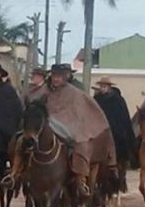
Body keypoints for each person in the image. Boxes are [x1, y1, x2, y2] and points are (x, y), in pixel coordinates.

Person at [44, 63, 115, 196]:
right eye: (54, 76)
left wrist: (72, 124)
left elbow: (82, 112)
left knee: (81, 145)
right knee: (23, 143)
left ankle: (80, 179)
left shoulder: (76, 93)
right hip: (46, 126)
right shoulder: (45, 91)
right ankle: (16, 173)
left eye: (59, 76)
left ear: (65, 77)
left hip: (71, 128)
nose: (56, 79)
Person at [92, 77, 135, 164]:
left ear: (109, 87)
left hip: (115, 128)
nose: (103, 88)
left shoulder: (118, 100)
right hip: (99, 127)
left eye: (105, 86)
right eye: (101, 86)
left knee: (118, 143)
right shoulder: (97, 99)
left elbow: (123, 116)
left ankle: (115, 165)